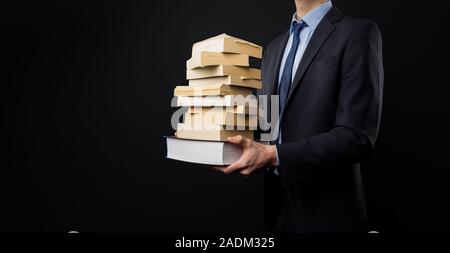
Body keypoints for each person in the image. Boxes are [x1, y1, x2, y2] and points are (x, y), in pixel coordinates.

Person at [214, 0, 383, 233]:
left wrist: (275, 156)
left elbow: (356, 138)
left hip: (331, 212)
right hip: (277, 212)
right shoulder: (274, 48)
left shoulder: (358, 33)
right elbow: (267, 125)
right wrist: (212, 131)